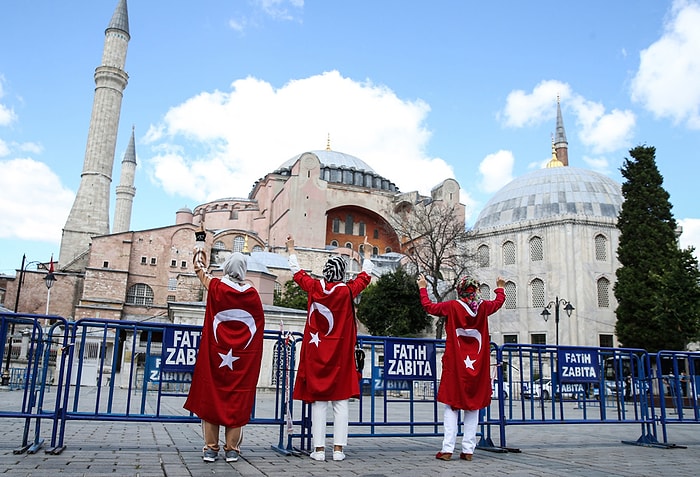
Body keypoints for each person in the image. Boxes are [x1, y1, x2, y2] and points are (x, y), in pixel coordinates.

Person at [287, 235, 373, 462]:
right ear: (342, 274)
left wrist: (291, 248)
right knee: (341, 401)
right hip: (341, 355)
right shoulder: (346, 291)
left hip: (316, 354)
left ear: (325, 272)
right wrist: (368, 255)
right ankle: (338, 449)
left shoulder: (314, 287)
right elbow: (365, 278)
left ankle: (317, 450)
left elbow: (297, 274)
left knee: (319, 402)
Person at [184, 228, 265, 463]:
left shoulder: (217, 286)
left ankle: (211, 448)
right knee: (236, 400)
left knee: (212, 396)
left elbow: (199, 267)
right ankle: (232, 449)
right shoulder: (253, 294)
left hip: (216, 354)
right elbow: (258, 324)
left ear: (227, 267)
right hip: (242, 360)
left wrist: (200, 243)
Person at [417, 274, 505, 462]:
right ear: (476, 291)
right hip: (478, 364)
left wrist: (423, 287)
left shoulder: (452, 306)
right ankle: (468, 449)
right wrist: (500, 287)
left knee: (452, 404)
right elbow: (498, 302)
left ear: (460, 290)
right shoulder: (483, 308)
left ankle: (448, 448)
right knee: (473, 406)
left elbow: (429, 307)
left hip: (456, 363)